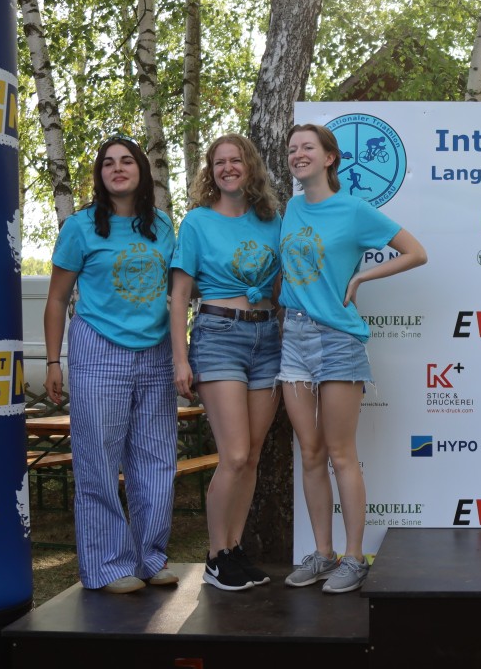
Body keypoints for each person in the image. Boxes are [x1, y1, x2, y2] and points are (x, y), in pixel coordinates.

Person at [278, 123, 426, 594]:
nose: (298, 154)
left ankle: (355, 557)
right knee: (310, 452)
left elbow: (416, 253)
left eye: (307, 147)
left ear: (329, 158)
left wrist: (361, 278)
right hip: (293, 338)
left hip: (338, 339)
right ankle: (323, 553)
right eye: (292, 149)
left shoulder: (354, 210)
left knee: (341, 453)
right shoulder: (290, 209)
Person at [44, 135, 178, 594]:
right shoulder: (80, 227)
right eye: (108, 163)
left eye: (126, 161)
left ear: (142, 170)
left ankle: (150, 559)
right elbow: (57, 299)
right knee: (98, 462)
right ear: (100, 176)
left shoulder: (162, 225)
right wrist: (53, 361)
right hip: (99, 350)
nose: (117, 168)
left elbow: (179, 289)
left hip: (156, 352)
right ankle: (107, 567)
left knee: (157, 460)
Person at [169, 134, 281, 592]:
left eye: (236, 160)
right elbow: (179, 295)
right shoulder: (198, 221)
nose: (228, 168)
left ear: (250, 166)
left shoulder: (272, 220)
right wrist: (180, 358)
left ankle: (233, 550)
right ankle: (215, 556)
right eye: (219, 162)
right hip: (218, 337)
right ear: (210, 171)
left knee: (251, 456)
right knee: (233, 454)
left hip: (268, 338)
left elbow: (284, 285)